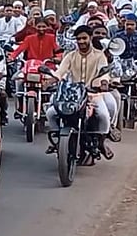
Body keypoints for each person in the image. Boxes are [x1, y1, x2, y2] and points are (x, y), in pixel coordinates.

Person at [46, 26, 112, 158]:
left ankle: (101, 142)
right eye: (78, 39)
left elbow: (104, 73)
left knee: (104, 116)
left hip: (93, 94)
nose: (81, 41)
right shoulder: (70, 56)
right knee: (51, 113)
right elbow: (61, 71)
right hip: (72, 94)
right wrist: (51, 81)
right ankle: (58, 140)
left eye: (84, 38)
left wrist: (103, 83)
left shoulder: (100, 56)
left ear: (90, 38)